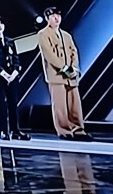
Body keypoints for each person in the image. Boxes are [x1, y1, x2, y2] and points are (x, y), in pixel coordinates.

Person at [37, 7, 91, 141]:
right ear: (47, 18)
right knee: (60, 105)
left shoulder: (66, 35)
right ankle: (64, 131)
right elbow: (50, 55)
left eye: (58, 15)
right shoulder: (43, 34)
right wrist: (66, 69)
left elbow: (74, 52)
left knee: (75, 103)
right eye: (53, 16)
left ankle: (78, 130)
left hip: (71, 76)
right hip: (56, 75)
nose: (56, 18)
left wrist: (74, 68)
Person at [0, 15, 30, 141]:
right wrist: (3, 73)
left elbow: (16, 58)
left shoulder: (9, 41)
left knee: (13, 103)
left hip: (12, 77)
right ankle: (3, 131)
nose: (0, 26)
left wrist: (14, 72)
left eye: (1, 23)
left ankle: (15, 130)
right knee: (0, 104)